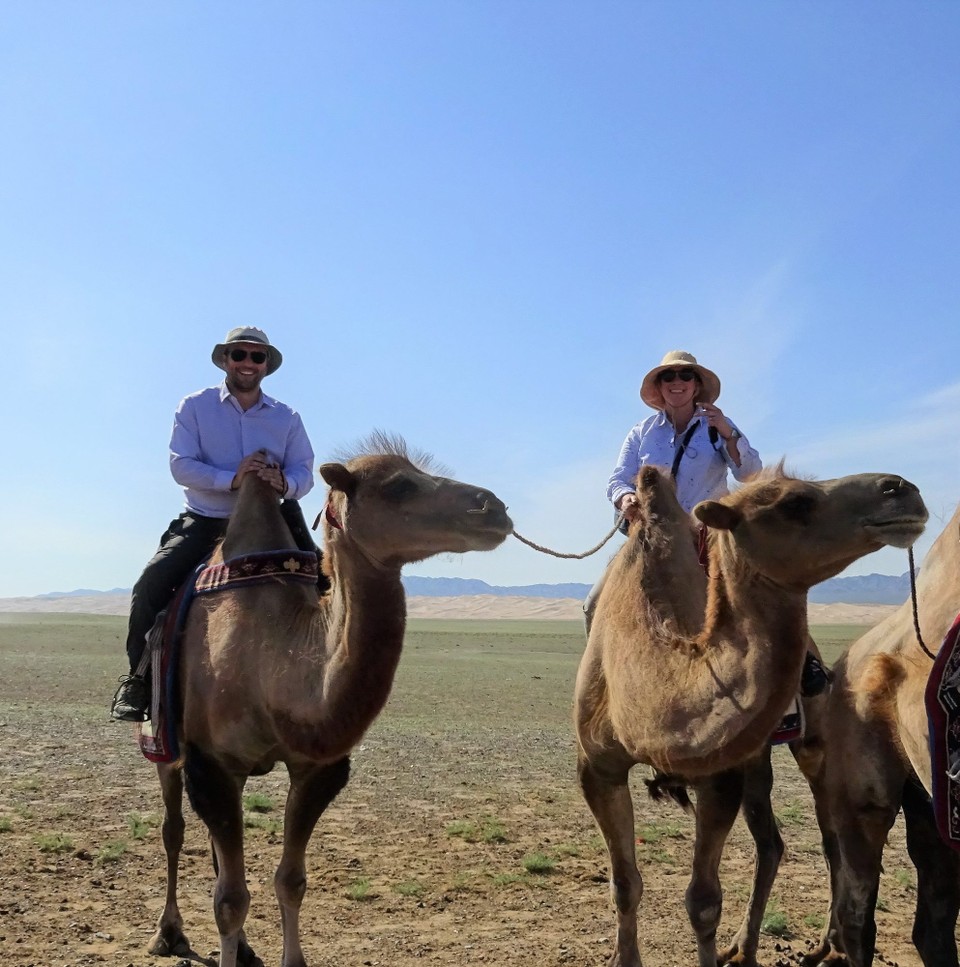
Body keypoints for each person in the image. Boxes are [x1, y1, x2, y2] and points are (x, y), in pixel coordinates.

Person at [587, 349, 829, 695]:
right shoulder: (642, 433)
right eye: (668, 376)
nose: (677, 382)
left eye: (686, 375)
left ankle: (806, 666)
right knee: (594, 604)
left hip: (708, 536)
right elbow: (618, 479)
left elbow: (750, 473)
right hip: (653, 539)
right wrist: (625, 498)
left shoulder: (716, 427)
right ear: (659, 386)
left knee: (760, 594)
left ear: (696, 385)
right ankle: (605, 686)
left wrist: (729, 434)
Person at [110, 327, 320, 721]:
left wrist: (285, 483)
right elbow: (181, 465)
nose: (248, 363)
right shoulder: (195, 406)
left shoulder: (286, 417)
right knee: (150, 586)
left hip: (273, 518)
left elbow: (304, 472)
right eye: (239, 354)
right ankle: (140, 682)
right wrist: (233, 478)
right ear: (225, 359)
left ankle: (329, 681)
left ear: (266, 366)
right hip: (208, 520)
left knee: (329, 582)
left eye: (257, 357)